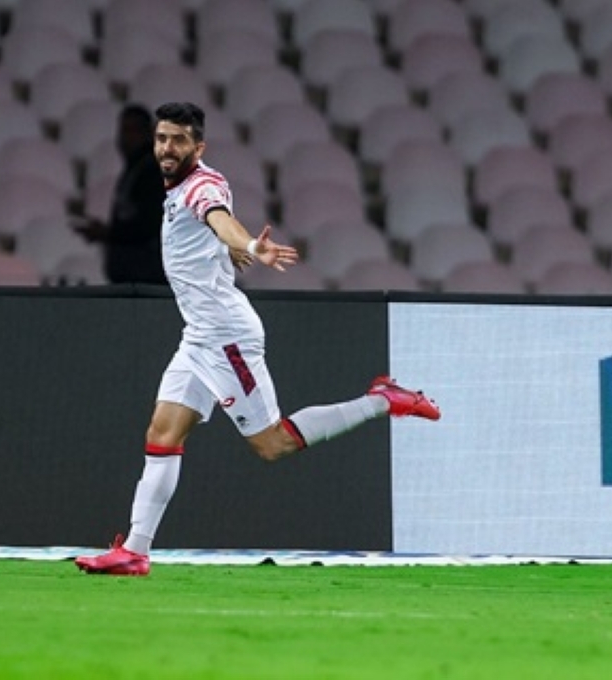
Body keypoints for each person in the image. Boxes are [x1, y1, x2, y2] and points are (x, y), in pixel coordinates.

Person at [75, 102, 440, 576]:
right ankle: (135, 551)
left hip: (226, 337)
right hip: (199, 337)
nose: (167, 148)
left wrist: (246, 244)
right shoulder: (183, 185)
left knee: (272, 444)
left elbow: (219, 218)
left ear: (198, 147)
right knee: (162, 435)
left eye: (178, 140)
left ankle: (382, 400)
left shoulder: (201, 186)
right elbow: (211, 231)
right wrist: (227, 249)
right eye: (162, 138)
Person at [73, 104, 168, 285]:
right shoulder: (136, 169)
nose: (124, 139)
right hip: (132, 278)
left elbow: (147, 225)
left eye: (132, 131)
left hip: (146, 279)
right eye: (123, 131)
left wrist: (108, 233)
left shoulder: (153, 172)